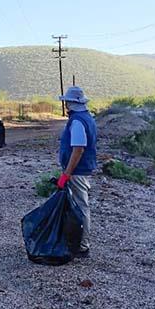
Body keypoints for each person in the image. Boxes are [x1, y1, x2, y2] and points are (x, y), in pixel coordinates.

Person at [56, 86, 98, 258]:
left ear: (71, 103)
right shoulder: (86, 118)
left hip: (77, 171)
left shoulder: (78, 121)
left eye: (67, 102)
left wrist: (67, 173)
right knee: (79, 205)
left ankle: (82, 246)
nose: (66, 105)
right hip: (81, 170)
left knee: (81, 206)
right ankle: (77, 242)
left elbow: (78, 149)